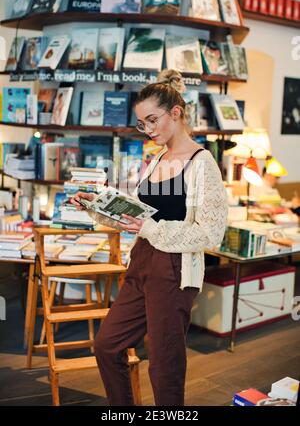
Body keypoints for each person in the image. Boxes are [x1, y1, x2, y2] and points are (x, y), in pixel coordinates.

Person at [71, 69, 228, 406]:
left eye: (153, 120)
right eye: (142, 123)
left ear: (176, 113)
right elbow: (138, 217)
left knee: (165, 365)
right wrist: (95, 207)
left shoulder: (203, 164)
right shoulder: (157, 159)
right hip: (141, 261)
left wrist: (151, 229)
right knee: (107, 345)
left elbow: (211, 232)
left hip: (173, 270)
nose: (148, 129)